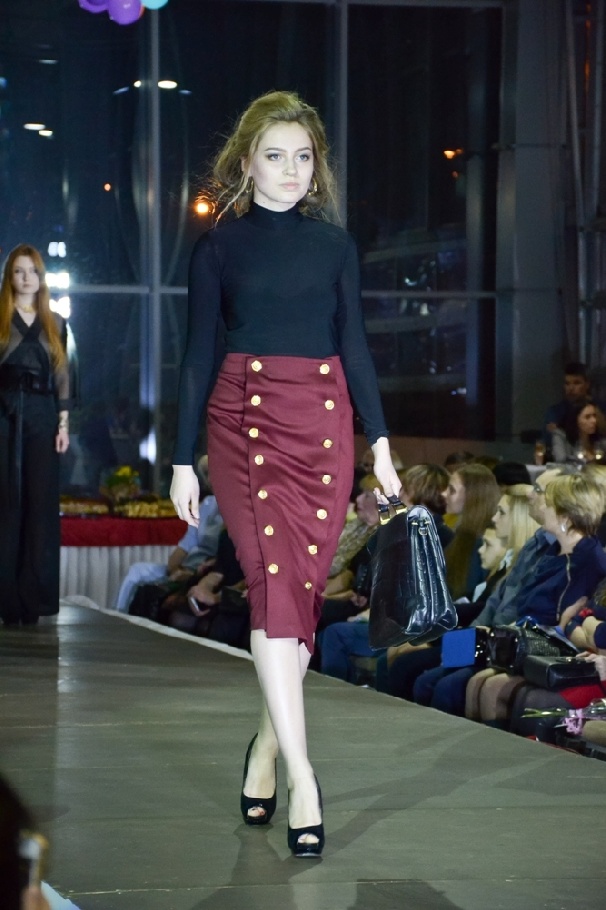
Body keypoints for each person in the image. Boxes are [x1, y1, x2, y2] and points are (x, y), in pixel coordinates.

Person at [170, 90, 400, 857]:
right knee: (272, 580)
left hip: (322, 426)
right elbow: (196, 357)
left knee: (297, 593)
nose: (291, 169)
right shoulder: (218, 249)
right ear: (247, 162)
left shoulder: (335, 247)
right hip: (244, 421)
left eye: (304, 156)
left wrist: (381, 443)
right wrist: (180, 458)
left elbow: (355, 346)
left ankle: (267, 746)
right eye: (276, 155)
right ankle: (303, 776)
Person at [0, 245, 71, 626]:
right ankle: (6, 598)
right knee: (6, 502)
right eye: (19, 271)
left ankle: (33, 598)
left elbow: (63, 374)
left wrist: (63, 424)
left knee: (40, 505)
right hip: (4, 414)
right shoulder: (0, 318)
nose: (26, 278)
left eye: (33, 271)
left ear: (41, 278)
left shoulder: (55, 321)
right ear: (9, 277)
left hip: (43, 417)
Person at [550, 398, 606, 464]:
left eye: (594, 416)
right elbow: (561, 461)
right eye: (587, 417)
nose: (594, 421)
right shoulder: (560, 435)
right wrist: (587, 460)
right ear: (575, 419)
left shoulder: (600, 438)